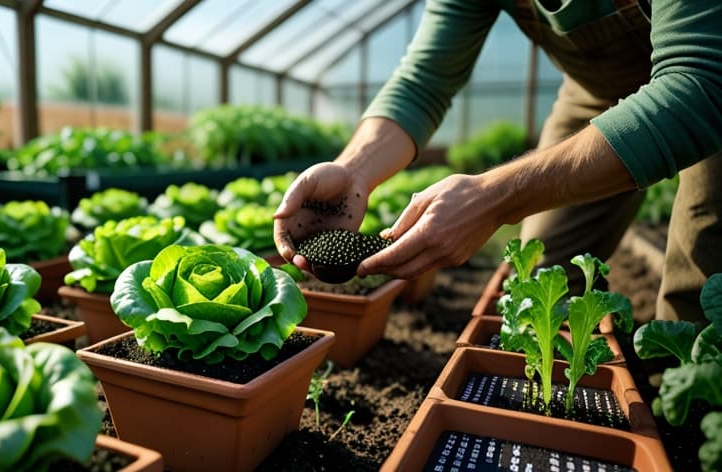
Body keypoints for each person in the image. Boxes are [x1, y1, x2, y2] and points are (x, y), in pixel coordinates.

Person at [273, 0, 722, 324]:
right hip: (597, 91)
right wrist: (354, 171)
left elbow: (700, 83)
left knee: (700, 290)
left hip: (707, 85)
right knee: (545, 277)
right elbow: (423, 80)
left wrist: (497, 196)